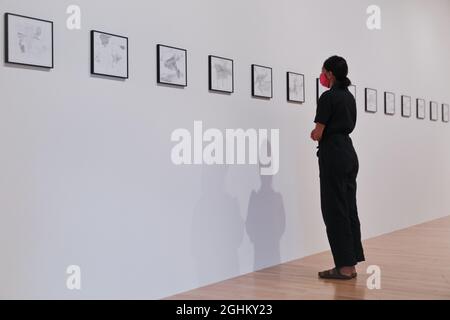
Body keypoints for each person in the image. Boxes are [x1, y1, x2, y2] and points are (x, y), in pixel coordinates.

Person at [311, 55, 365, 280]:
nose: (322, 76)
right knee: (349, 208)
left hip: (333, 153)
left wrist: (314, 134)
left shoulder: (328, 97)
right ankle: (351, 265)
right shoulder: (349, 98)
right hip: (349, 153)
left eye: (324, 71)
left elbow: (318, 132)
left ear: (331, 74)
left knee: (334, 210)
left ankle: (343, 267)